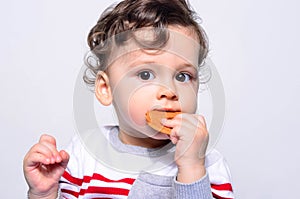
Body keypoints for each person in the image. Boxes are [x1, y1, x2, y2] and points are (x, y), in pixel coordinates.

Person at [23, 0, 234, 198]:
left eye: (182, 76)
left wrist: (192, 168)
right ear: (106, 88)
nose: (169, 91)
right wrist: (44, 193)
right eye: (145, 75)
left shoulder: (207, 163)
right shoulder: (84, 153)